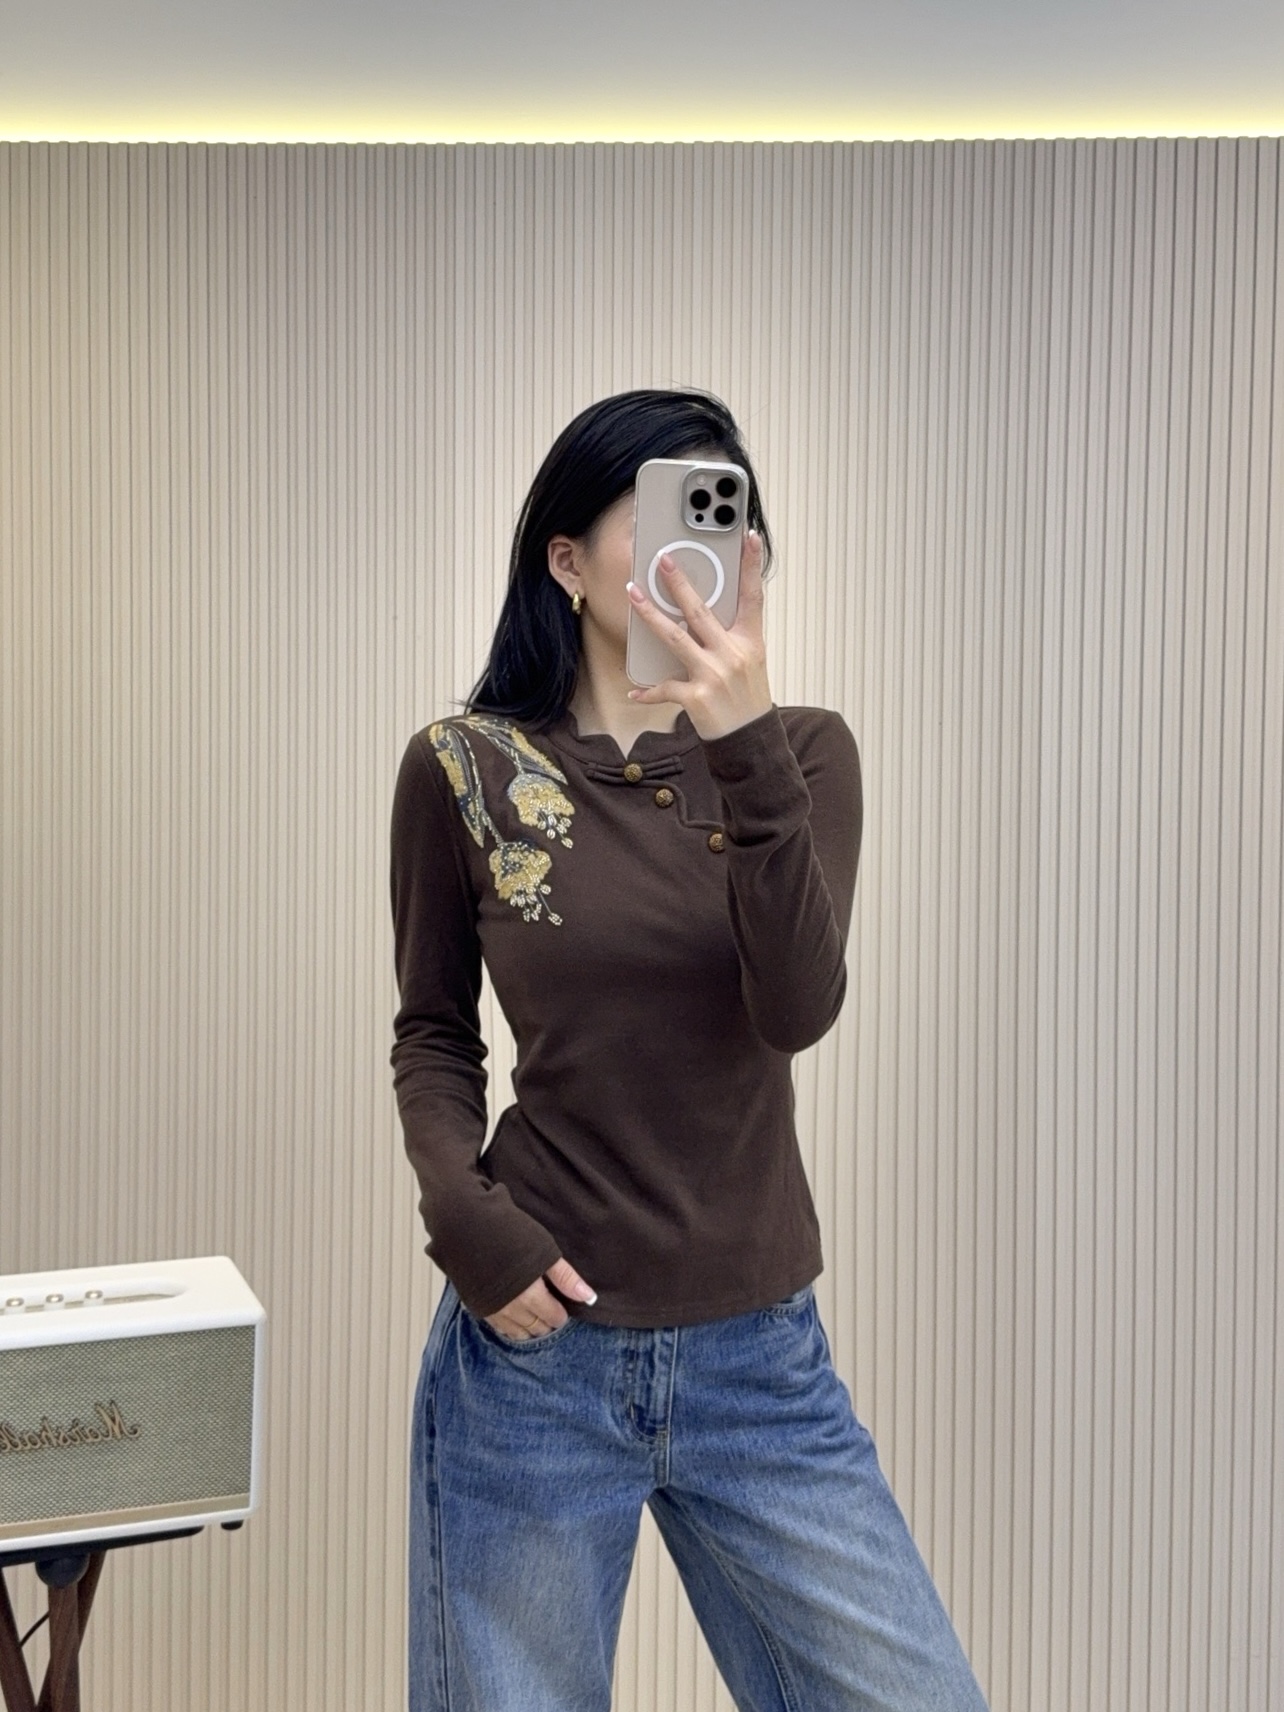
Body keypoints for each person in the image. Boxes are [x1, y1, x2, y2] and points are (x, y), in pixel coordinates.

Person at [389, 388, 989, 1712]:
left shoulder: (804, 755)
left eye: (724, 518)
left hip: (758, 1359)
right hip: (534, 1358)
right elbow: (434, 1030)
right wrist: (465, 1221)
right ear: (566, 559)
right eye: (661, 515)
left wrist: (742, 737)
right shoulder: (464, 771)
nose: (699, 552)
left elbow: (796, 1010)